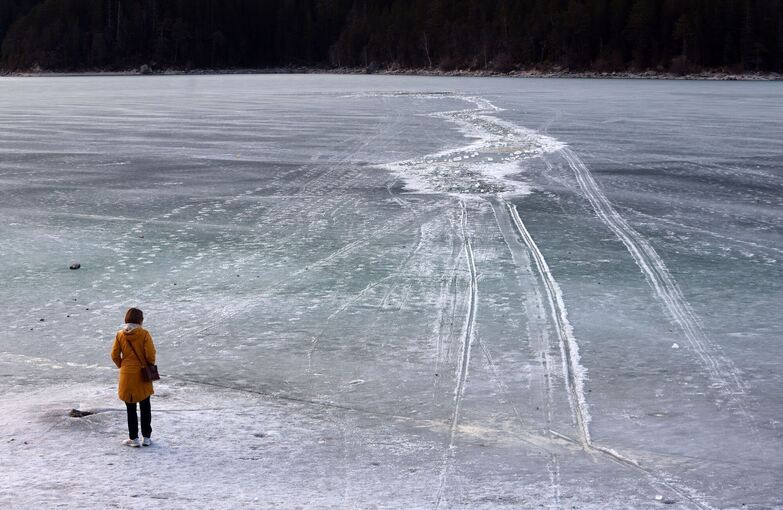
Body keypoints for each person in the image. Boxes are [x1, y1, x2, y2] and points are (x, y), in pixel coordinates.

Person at [111, 307, 157, 447]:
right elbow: (150, 355)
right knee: (145, 406)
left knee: (130, 407)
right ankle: (147, 438)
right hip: (142, 373)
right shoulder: (144, 334)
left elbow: (114, 355)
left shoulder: (120, 334)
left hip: (126, 375)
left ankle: (134, 438)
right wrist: (149, 364)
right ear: (140, 320)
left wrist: (123, 365)